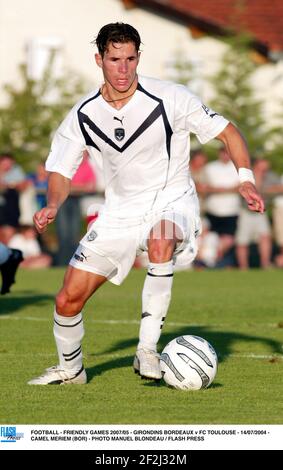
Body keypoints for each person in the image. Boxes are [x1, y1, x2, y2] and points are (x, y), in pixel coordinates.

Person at [28, 22, 264, 385]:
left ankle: (147, 350)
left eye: (130, 59)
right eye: (114, 59)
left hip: (172, 201)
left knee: (161, 238)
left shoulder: (171, 97)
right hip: (120, 212)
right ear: (99, 59)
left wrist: (245, 180)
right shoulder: (83, 114)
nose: (123, 69)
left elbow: (228, 132)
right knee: (67, 299)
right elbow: (61, 170)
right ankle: (71, 370)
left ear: (139, 57)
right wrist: (54, 205)